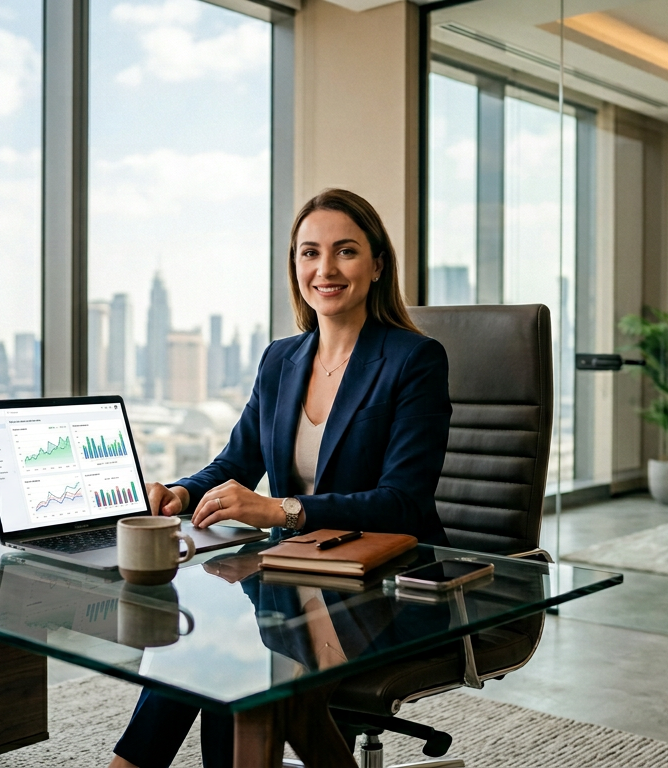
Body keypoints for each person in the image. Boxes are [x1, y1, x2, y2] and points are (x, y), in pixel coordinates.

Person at [109, 188, 452, 768]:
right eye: (308, 253)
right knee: (208, 654)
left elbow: (403, 503)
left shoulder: (413, 360)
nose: (325, 269)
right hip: (293, 575)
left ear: (376, 265)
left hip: (386, 584)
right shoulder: (281, 359)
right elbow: (236, 462)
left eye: (345, 252)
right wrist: (183, 492)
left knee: (231, 667)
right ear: (295, 267)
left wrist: (282, 511)